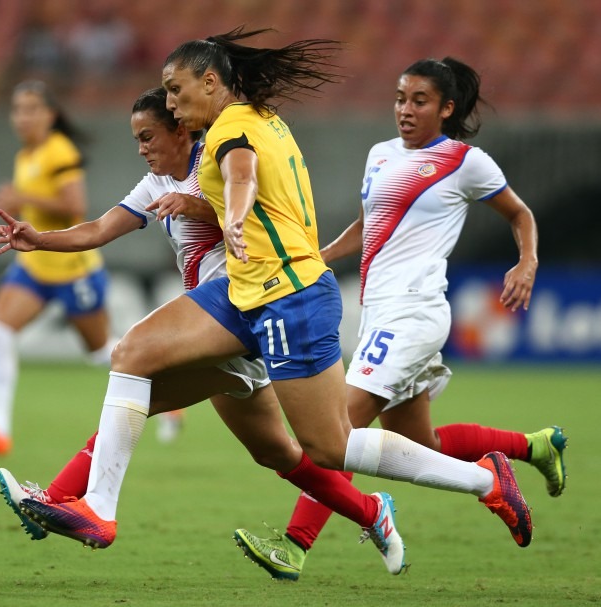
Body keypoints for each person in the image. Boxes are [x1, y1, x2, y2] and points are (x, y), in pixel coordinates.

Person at [13, 28, 532, 561]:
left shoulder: (229, 129)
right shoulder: (259, 118)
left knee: (331, 447)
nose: (170, 103)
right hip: (245, 292)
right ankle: (97, 507)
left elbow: (242, 173)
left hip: (289, 296)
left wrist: (233, 217)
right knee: (132, 355)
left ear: (210, 82)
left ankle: (483, 481)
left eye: (175, 89)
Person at [0, 87, 409, 576]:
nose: (143, 148)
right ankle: (372, 511)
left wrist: (199, 209)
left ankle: (64, 499)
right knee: (278, 453)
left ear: (181, 129)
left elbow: (260, 209)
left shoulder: (215, 164)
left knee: (135, 382)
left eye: (149, 136)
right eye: (136, 140)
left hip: (244, 315)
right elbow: (98, 229)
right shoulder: (153, 184)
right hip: (216, 327)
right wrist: (39, 239)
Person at [231, 56, 568, 579]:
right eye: (399, 98)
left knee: (334, 436)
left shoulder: (464, 161)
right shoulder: (380, 155)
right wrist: (317, 257)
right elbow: (372, 223)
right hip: (379, 312)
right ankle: (530, 446)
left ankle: (295, 545)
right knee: (419, 445)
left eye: (419, 101)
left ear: (446, 108)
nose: (404, 111)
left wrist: (527, 261)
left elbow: (519, 213)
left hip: (413, 313)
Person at [0, 80, 116, 456]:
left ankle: (167, 382)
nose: (23, 117)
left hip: (73, 270)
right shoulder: (26, 155)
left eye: (31, 109)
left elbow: (75, 206)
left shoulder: (59, 151)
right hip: (34, 267)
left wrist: (21, 198)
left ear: (51, 115)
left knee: (101, 353)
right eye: (17, 109)